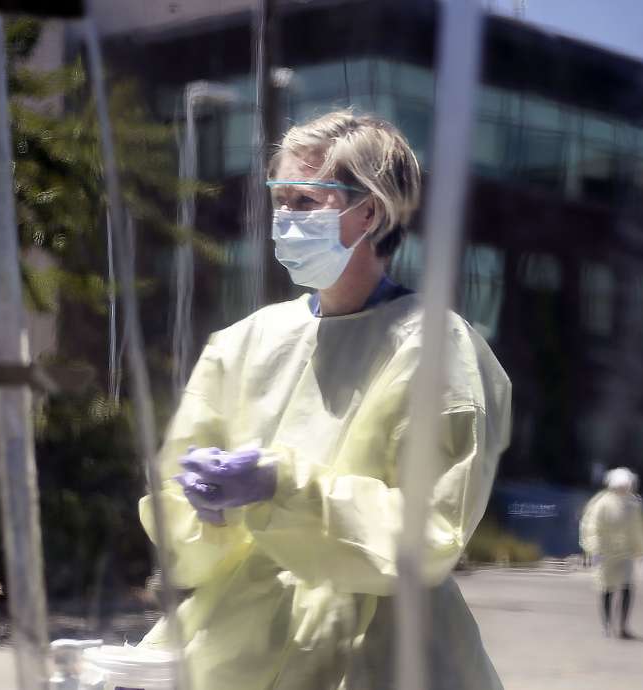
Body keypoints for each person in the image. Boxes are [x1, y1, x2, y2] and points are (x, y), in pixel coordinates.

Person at [137, 110, 512, 689]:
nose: (285, 218)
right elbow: (179, 533)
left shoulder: (436, 349)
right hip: (241, 641)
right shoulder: (243, 344)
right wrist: (200, 511)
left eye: (306, 202)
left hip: (381, 655)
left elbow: (429, 534)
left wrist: (280, 489)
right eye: (279, 199)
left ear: (371, 211)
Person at [578, 467, 643, 639]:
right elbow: (591, 528)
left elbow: (637, 530)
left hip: (625, 553)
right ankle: (607, 626)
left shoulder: (634, 504)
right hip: (606, 552)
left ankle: (623, 627)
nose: (624, 489)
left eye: (627, 486)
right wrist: (594, 550)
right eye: (621, 486)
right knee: (607, 588)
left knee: (627, 586)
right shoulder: (601, 503)